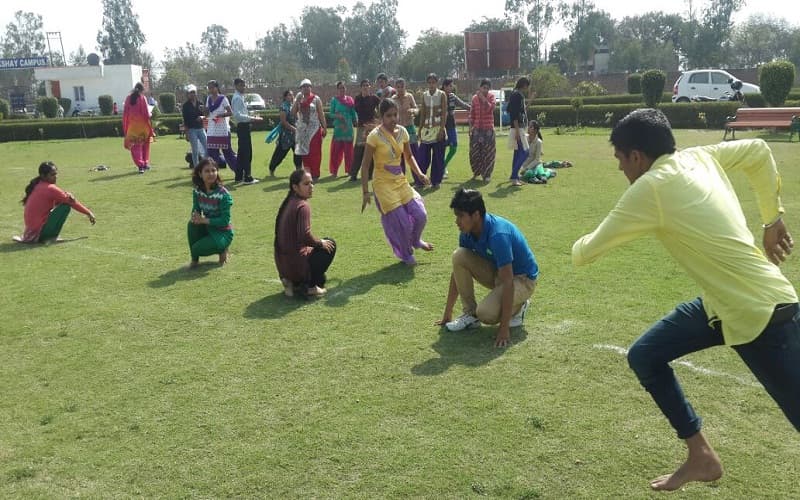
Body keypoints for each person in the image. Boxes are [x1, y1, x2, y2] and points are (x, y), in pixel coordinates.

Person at [572, 108, 800, 491]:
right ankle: (701, 455)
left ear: (637, 157)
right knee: (645, 355)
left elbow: (586, 253)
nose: (620, 169)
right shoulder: (699, 156)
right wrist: (771, 218)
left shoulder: (650, 187)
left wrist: (577, 245)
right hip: (721, 307)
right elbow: (759, 151)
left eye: (619, 159)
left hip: (761, 315)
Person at [436, 188, 538, 347]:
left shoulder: (498, 235)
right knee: (459, 255)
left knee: (485, 314)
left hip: (522, 279)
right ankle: (470, 315)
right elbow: (457, 270)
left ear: (476, 215)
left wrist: (504, 329)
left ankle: (519, 308)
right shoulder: (466, 232)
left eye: (461, 216)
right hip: (500, 274)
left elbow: (509, 281)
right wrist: (447, 313)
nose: (457, 221)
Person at [360, 99, 433, 266]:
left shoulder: (403, 132)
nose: (393, 119)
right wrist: (365, 192)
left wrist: (420, 174)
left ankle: (416, 240)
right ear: (381, 116)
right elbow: (364, 167)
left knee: (420, 215)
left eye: (395, 115)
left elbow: (408, 156)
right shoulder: (374, 137)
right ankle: (406, 254)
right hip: (383, 184)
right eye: (388, 116)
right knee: (402, 223)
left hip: (400, 180)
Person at [274, 169, 337, 297]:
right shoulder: (302, 206)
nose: (311, 187)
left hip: (283, 267)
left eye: (312, 183)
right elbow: (305, 235)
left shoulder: (289, 202)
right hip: (295, 265)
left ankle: (291, 282)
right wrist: (320, 243)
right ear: (295, 187)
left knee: (322, 278)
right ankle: (310, 287)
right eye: (306, 184)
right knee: (330, 243)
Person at [15, 161, 96, 243]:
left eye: (56, 174)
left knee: (62, 202)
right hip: (39, 232)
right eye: (52, 175)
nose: (56, 177)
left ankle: (41, 236)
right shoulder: (50, 188)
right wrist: (88, 213)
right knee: (65, 206)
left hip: (30, 232)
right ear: (43, 176)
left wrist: (67, 196)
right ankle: (50, 237)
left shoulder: (37, 185)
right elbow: (71, 202)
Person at [188, 158, 233, 268]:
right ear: (200, 174)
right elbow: (196, 209)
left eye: (213, 170)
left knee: (197, 248)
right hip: (208, 228)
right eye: (207, 171)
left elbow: (224, 221)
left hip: (223, 232)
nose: (211, 174)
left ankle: (223, 249)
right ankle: (194, 261)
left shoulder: (223, 195)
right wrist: (195, 216)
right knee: (192, 224)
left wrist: (203, 220)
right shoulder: (197, 191)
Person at [291, 79, 327, 182]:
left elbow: (321, 114)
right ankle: (307, 174)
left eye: (308, 86)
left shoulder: (316, 99)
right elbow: (293, 113)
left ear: (311, 87)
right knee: (305, 153)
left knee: (315, 153)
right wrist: (297, 100)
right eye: (304, 86)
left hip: (315, 129)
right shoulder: (298, 99)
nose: (306, 88)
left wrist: (324, 127)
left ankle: (315, 174)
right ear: (301, 88)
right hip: (303, 131)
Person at [416, 73, 448, 189]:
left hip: (438, 128)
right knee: (422, 156)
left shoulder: (442, 94)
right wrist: (419, 130)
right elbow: (422, 114)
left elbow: (445, 113)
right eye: (429, 82)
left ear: (437, 83)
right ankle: (421, 181)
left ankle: (436, 181)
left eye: (433, 82)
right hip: (426, 129)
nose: (431, 85)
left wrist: (441, 129)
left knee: (438, 157)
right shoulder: (424, 95)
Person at [231, 78, 262, 185]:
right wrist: (252, 118)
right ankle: (247, 177)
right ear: (235, 86)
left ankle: (239, 176)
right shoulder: (237, 98)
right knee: (246, 152)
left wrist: (251, 116)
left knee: (241, 153)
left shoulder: (240, 97)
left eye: (244, 85)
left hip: (243, 126)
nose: (243, 87)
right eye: (241, 85)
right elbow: (237, 115)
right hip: (242, 126)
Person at [349, 79, 381, 182]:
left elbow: (381, 110)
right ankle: (353, 174)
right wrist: (363, 97)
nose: (365, 87)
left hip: (371, 127)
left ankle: (370, 175)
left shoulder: (374, 98)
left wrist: (377, 122)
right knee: (358, 151)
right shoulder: (358, 98)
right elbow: (358, 109)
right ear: (361, 87)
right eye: (363, 85)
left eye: (367, 85)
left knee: (371, 150)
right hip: (361, 127)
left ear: (370, 86)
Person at [204, 80, 238, 173]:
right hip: (212, 129)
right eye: (209, 88)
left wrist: (221, 115)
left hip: (222, 130)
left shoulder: (223, 98)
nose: (210, 90)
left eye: (212, 87)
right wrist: (204, 110)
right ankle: (213, 173)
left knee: (227, 152)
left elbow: (230, 112)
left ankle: (238, 171)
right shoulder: (208, 99)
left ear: (216, 87)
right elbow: (207, 114)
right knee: (211, 153)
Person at [122, 82, 155, 174]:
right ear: (142, 90)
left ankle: (140, 165)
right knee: (145, 145)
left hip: (132, 127)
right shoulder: (142, 98)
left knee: (135, 147)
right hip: (142, 127)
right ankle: (145, 163)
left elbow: (125, 114)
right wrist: (151, 115)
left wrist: (126, 127)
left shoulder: (128, 98)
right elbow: (146, 113)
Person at [269, 89, 303, 175]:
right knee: (280, 154)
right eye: (289, 95)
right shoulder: (283, 107)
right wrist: (294, 129)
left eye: (292, 95)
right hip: (286, 135)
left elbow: (298, 117)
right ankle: (272, 168)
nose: (291, 97)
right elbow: (284, 122)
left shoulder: (294, 105)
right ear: (285, 97)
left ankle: (298, 170)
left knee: (298, 152)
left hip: (295, 135)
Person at [441, 78, 471, 174]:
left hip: (451, 125)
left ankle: (443, 165)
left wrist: (473, 108)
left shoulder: (452, 96)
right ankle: (440, 168)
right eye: (450, 85)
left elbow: (463, 104)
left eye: (452, 85)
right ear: (444, 86)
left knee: (453, 148)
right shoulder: (439, 96)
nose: (451, 87)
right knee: (441, 147)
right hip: (441, 126)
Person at [469, 79, 496, 182]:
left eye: (487, 88)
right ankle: (476, 172)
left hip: (488, 130)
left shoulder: (491, 97)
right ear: (480, 87)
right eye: (484, 87)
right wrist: (470, 127)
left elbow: (491, 109)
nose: (485, 90)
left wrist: (484, 99)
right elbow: (472, 114)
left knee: (488, 153)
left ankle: (487, 174)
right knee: (474, 152)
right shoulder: (474, 98)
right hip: (476, 129)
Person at [329, 81, 357, 177]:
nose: (342, 89)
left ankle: (349, 170)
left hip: (348, 128)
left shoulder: (350, 100)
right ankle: (334, 171)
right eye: (340, 88)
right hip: (338, 128)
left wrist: (356, 121)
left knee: (349, 151)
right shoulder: (334, 100)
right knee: (336, 151)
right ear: (337, 89)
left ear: (346, 89)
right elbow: (330, 114)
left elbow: (353, 113)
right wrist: (338, 116)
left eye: (343, 88)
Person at [507, 77, 531, 186]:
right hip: (518, 127)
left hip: (518, 127)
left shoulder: (516, 94)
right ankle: (513, 176)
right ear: (524, 85)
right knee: (526, 152)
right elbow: (514, 113)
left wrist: (531, 100)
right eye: (527, 85)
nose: (527, 88)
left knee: (517, 152)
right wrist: (517, 130)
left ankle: (515, 176)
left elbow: (521, 111)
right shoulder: (517, 95)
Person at [391, 78, 419, 173]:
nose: (400, 89)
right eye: (398, 87)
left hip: (410, 128)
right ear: (395, 88)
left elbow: (416, 108)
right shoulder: (393, 99)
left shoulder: (409, 96)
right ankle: (400, 178)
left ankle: (418, 179)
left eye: (402, 87)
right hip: (398, 129)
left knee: (413, 153)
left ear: (405, 86)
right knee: (399, 155)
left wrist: (413, 111)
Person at [182, 84, 207, 169]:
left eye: (193, 92)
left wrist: (202, 116)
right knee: (195, 150)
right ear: (187, 94)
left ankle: (204, 165)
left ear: (196, 93)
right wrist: (186, 133)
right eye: (190, 93)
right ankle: (196, 168)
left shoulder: (200, 104)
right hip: (192, 130)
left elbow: (205, 115)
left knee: (207, 147)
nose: (192, 94)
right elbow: (185, 121)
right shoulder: (185, 106)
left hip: (200, 128)